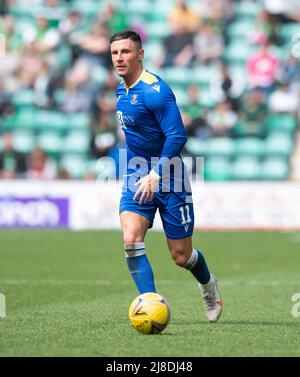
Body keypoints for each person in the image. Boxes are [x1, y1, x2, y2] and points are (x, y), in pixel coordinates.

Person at [110, 30, 222, 322]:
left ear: (140, 54)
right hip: (137, 172)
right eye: (115, 53)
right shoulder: (121, 90)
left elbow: (177, 135)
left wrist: (157, 174)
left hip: (169, 175)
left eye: (126, 52)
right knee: (131, 238)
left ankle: (208, 285)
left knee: (181, 257)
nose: (119, 58)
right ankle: (150, 304)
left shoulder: (155, 91)